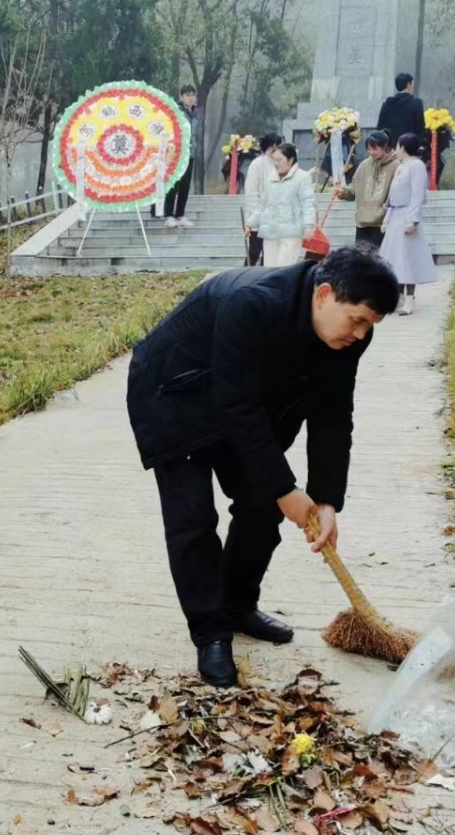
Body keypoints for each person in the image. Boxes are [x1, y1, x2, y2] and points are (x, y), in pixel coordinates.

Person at [125, 250, 399, 685]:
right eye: (358, 320)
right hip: (174, 392)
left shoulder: (348, 336)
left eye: (370, 325)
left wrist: (326, 500)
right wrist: (286, 488)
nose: (361, 333)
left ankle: (236, 606)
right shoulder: (253, 303)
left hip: (236, 397)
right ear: (324, 294)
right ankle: (210, 632)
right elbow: (240, 408)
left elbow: (332, 415)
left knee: (261, 504)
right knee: (193, 517)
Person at [381, 133, 438, 314]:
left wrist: (413, 219)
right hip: (396, 216)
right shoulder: (401, 167)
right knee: (394, 260)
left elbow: (417, 195)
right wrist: (386, 219)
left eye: (397, 146)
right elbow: (392, 197)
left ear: (403, 147)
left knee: (408, 260)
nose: (395, 150)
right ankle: (395, 298)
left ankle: (409, 299)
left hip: (406, 217)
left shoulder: (416, 166)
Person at [252, 142, 315, 267]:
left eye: (279, 160)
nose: (276, 164)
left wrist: (309, 225)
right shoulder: (271, 178)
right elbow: (263, 205)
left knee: (285, 270)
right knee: (269, 270)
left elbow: (308, 203)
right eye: (274, 160)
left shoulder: (302, 178)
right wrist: (250, 223)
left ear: (291, 160)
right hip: (270, 232)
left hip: (291, 233)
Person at [334, 129, 397, 251]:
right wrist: (343, 192)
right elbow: (354, 187)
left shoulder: (395, 166)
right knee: (361, 261)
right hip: (362, 222)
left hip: (382, 223)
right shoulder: (364, 165)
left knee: (379, 261)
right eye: (369, 149)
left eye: (375, 149)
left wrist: (385, 209)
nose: (371, 152)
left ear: (385, 146)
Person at [241, 132, 282, 266]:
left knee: (270, 254)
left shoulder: (280, 164)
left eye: (277, 148)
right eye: (272, 148)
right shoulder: (257, 164)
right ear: (266, 148)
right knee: (254, 251)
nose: (275, 151)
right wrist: (255, 216)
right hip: (259, 217)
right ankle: (245, 277)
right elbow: (251, 191)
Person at [164, 84, 201, 229]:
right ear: (181, 97)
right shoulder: (176, 112)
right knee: (174, 184)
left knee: (185, 185)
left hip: (190, 154)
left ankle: (180, 214)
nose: (190, 98)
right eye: (187, 95)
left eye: (192, 95)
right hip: (177, 154)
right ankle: (169, 215)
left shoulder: (195, 113)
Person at [375, 73, 425, 145]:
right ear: (408, 84)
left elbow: (380, 127)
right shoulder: (416, 103)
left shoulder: (387, 104)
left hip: (390, 148)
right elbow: (420, 128)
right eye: (413, 84)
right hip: (409, 147)